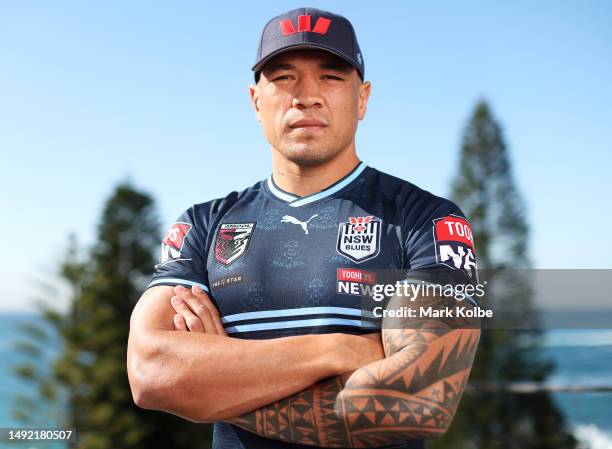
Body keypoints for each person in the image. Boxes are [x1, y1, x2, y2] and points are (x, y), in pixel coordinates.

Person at [127, 7, 481, 449]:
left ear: (363, 98)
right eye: (284, 77)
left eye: (331, 76)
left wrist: (211, 388)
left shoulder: (427, 220)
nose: (306, 95)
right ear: (256, 100)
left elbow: (421, 401)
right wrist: (339, 350)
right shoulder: (203, 225)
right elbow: (150, 374)